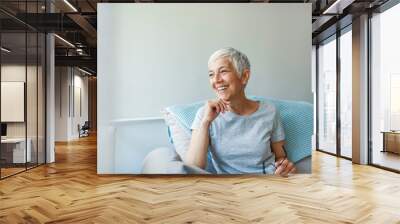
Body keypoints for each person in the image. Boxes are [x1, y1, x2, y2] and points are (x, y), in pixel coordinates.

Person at [184, 47, 296, 176]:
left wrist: (285, 167)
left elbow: (280, 157)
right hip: (229, 189)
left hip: (267, 183)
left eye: (223, 71)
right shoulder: (205, 114)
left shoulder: (269, 111)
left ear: (244, 76)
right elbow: (193, 168)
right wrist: (206, 122)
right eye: (211, 74)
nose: (216, 80)